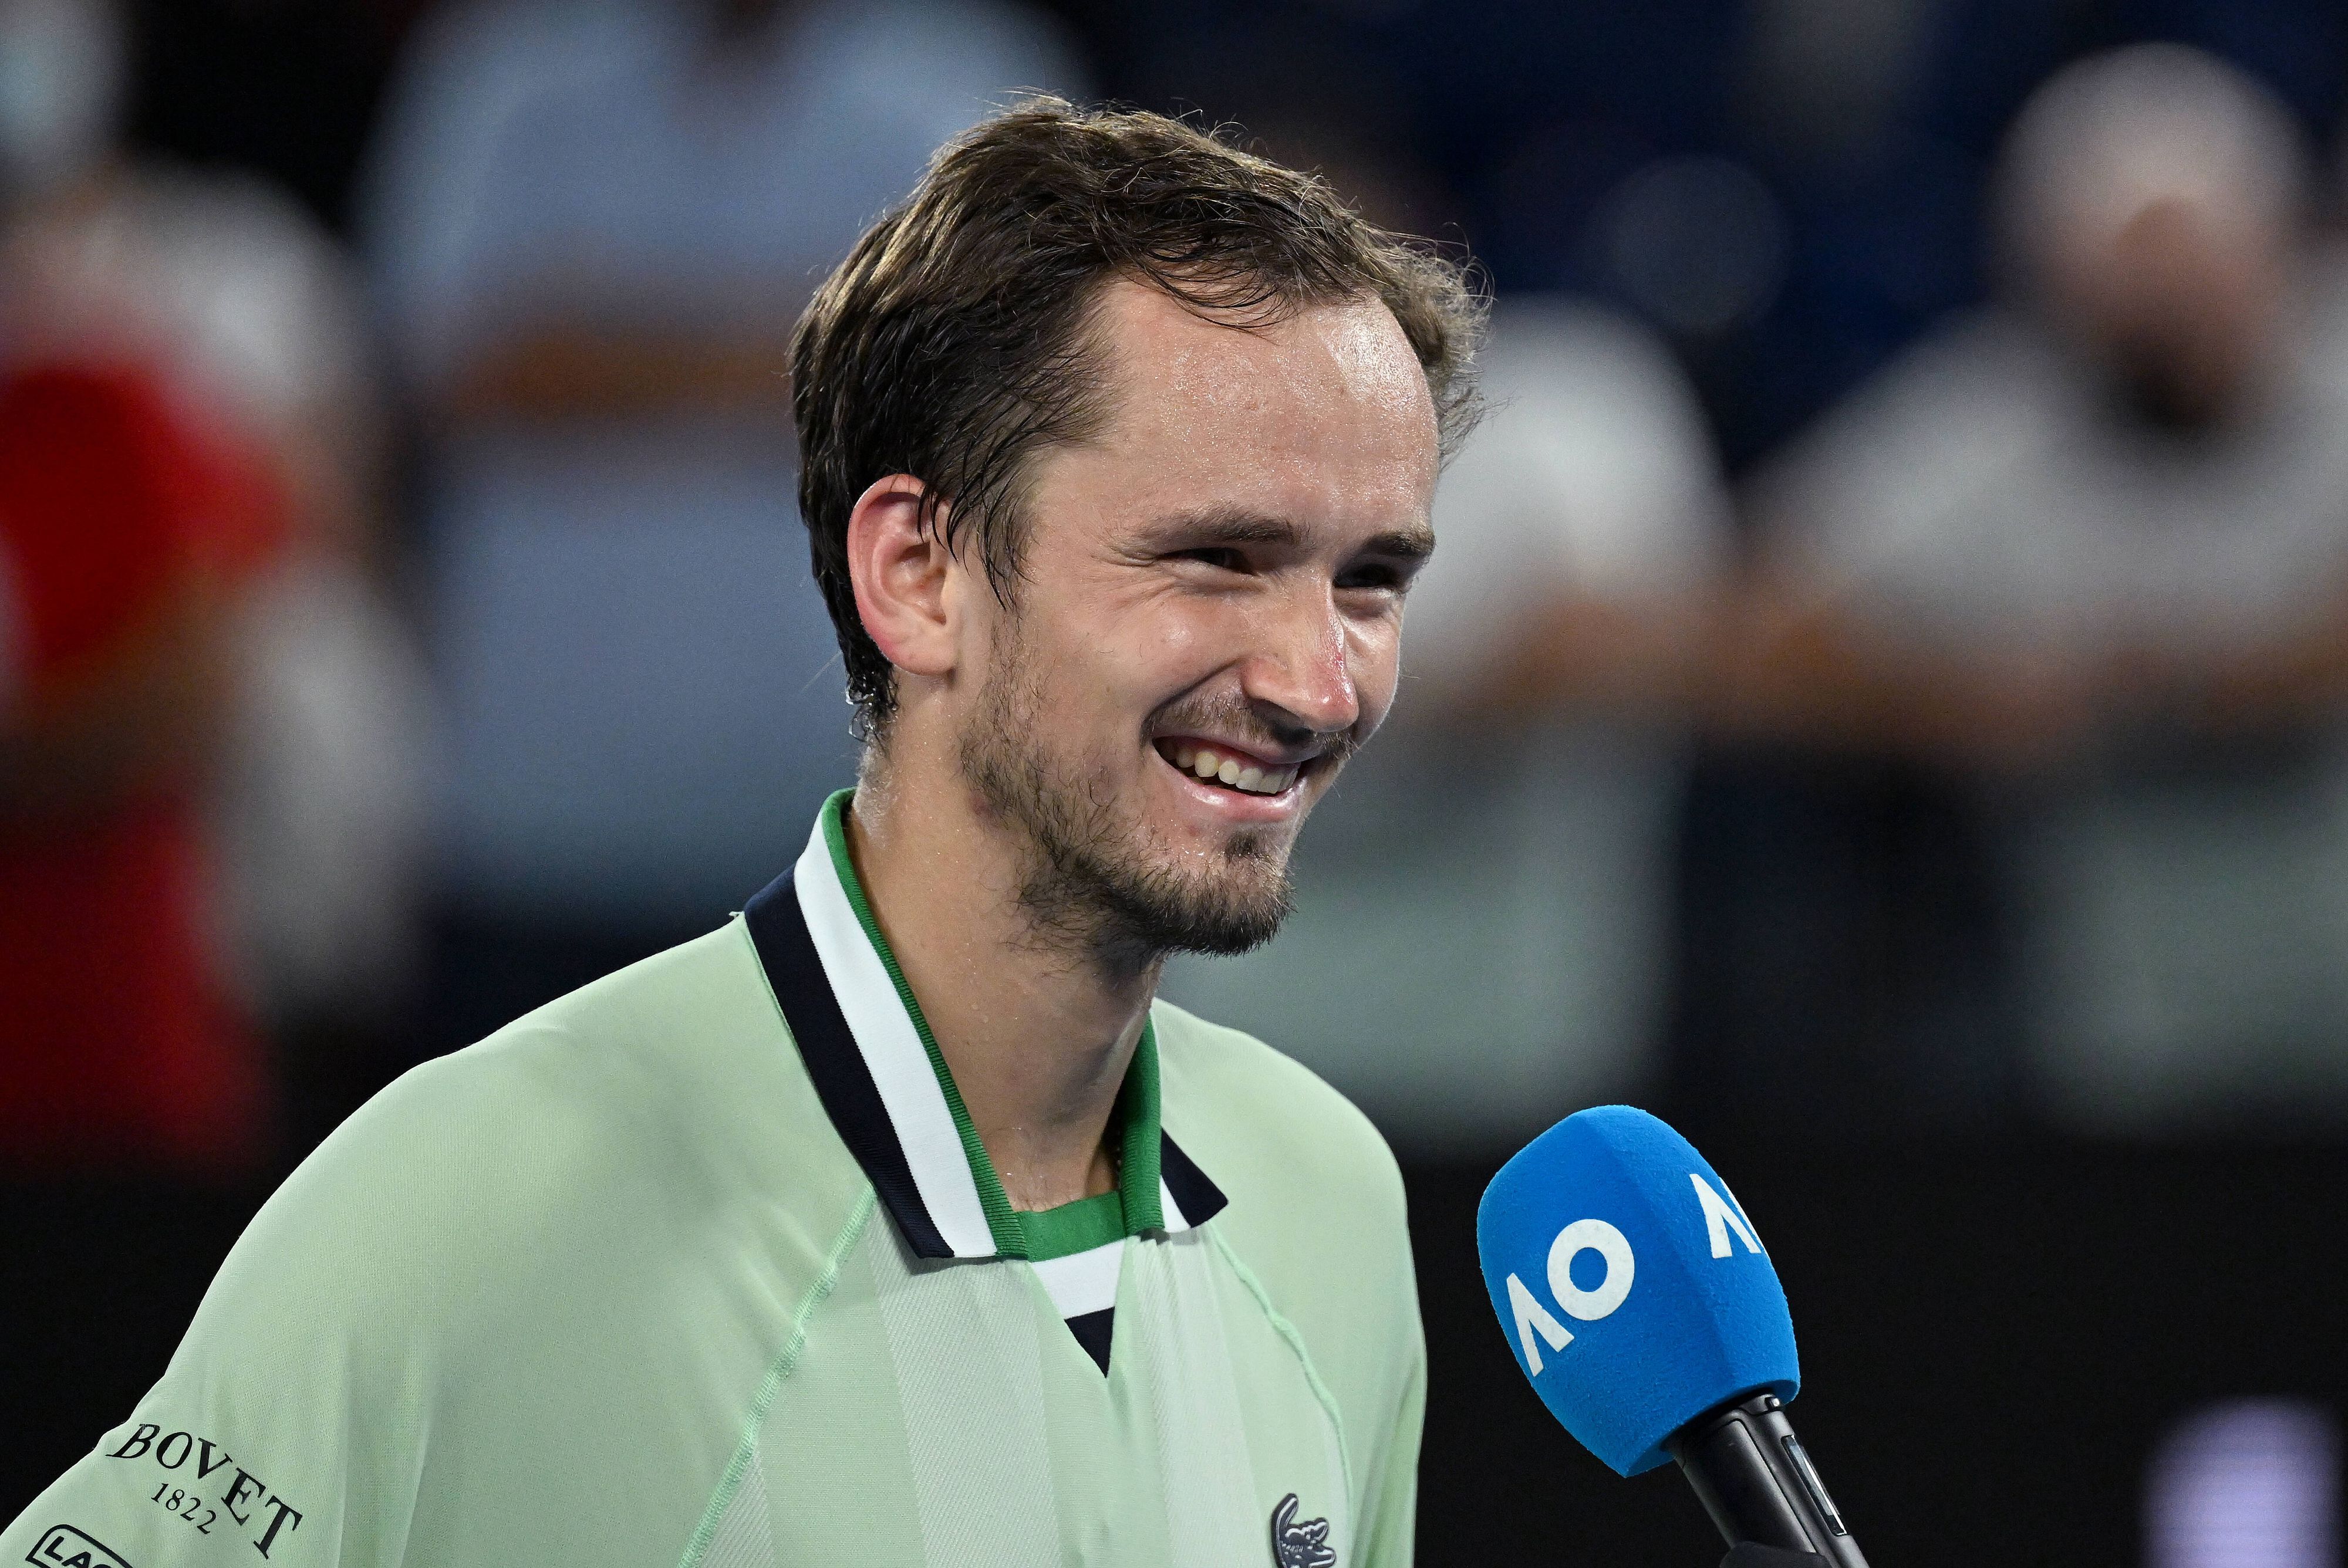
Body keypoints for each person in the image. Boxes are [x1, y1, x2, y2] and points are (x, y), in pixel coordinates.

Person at [1, 102, 1477, 1565]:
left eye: (1370, 579)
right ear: (916, 572)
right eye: (1217, 558)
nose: (1316, 681)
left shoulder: (1326, 1196)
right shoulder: (470, 1200)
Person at [362, 0, 1082, 1043]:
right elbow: (445, 369)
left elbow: (1025, 389)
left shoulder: (970, 74)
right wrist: (853, 358)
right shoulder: (508, 69)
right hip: (536, 819)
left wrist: (595, 346)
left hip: (865, 841)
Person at [1751, 45, 2348, 1127]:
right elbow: (1761, 628)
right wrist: (1958, 697)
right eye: (2135, 285)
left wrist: (2212, 681)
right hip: (2112, 1013)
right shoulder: (1994, 423)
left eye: (2201, 271)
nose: (2174, 313)